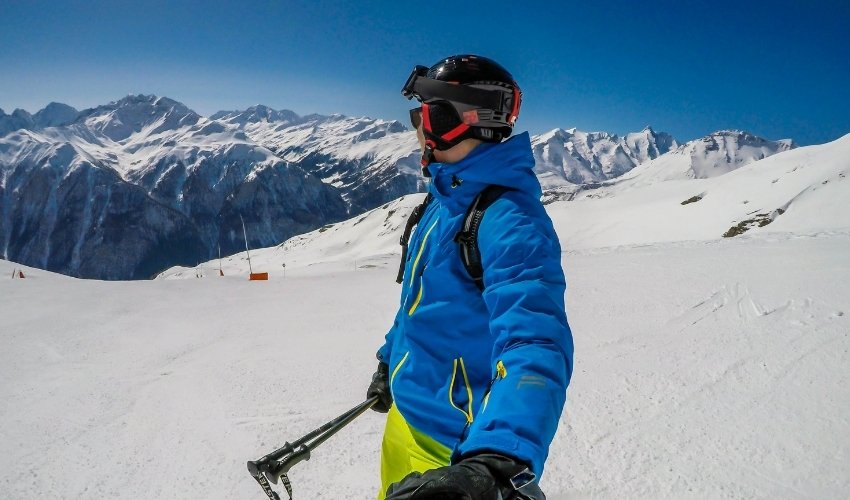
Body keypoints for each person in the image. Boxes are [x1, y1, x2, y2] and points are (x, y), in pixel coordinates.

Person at [367, 54, 574, 500]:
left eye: (419, 115)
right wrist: (390, 360)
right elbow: (419, 303)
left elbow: (536, 344)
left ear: (446, 120)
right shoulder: (442, 202)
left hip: (455, 454)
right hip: (405, 423)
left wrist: (495, 459)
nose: (415, 128)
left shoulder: (509, 223)